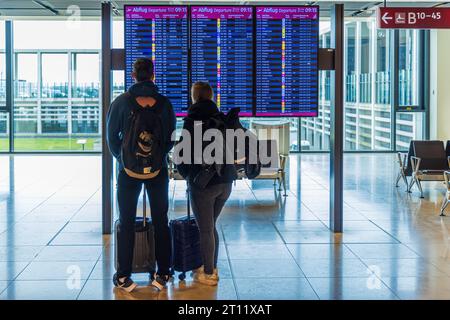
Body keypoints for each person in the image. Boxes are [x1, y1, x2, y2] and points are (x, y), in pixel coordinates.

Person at [107, 58, 176, 292]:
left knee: (126, 222)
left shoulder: (121, 102)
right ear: (153, 76)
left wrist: (125, 159)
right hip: (157, 171)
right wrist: (156, 158)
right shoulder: (165, 104)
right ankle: (164, 272)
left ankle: (124, 276)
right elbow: (169, 139)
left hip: (128, 172)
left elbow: (111, 138)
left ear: (133, 76)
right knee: (161, 221)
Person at [176, 81, 237, 286]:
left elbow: (180, 154)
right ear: (211, 97)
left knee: (205, 229)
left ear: (194, 97)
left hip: (203, 184)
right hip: (226, 181)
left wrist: (189, 176)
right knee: (210, 226)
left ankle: (208, 273)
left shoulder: (191, 120)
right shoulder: (222, 117)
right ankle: (210, 266)